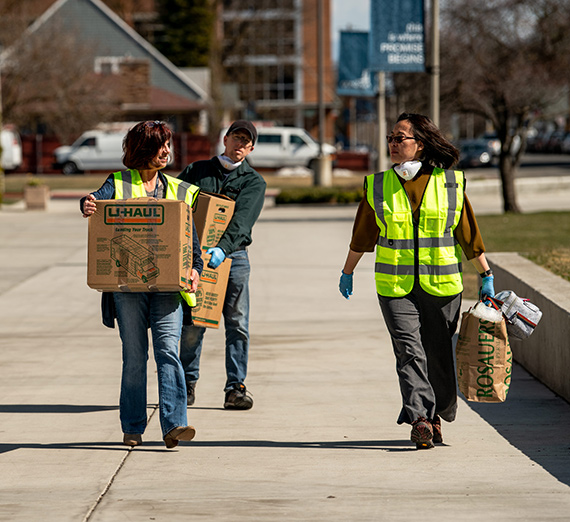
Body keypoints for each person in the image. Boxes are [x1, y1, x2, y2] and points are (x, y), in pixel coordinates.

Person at [339, 113, 495, 449]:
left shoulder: (450, 183)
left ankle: (436, 414)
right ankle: (420, 419)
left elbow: (468, 233)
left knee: (436, 354)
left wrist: (486, 275)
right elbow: (363, 235)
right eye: (391, 138)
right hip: (395, 288)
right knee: (409, 352)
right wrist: (347, 271)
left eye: (401, 138)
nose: (393, 144)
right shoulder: (377, 184)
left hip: (442, 288)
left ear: (419, 144)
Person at [80, 120, 204, 449]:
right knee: (135, 357)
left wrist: (195, 268)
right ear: (142, 148)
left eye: (168, 144)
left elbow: (190, 237)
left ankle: (175, 424)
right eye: (160, 145)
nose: (167, 151)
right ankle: (133, 426)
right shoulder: (118, 182)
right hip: (128, 289)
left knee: (168, 353)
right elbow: (96, 200)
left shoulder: (177, 189)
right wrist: (87, 203)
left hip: (168, 288)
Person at [178, 120, 266, 410]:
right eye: (236, 138)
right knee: (194, 322)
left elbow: (242, 222)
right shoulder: (196, 171)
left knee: (238, 322)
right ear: (225, 139)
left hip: (234, 257)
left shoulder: (253, 181)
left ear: (251, 148)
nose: (240, 145)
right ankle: (186, 384)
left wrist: (222, 249)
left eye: (246, 142)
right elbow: (177, 205)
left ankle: (235, 387)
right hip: (194, 256)